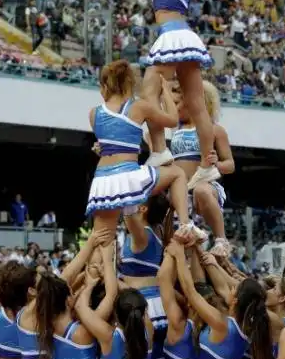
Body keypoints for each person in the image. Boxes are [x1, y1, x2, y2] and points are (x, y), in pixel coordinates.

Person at [65, 0, 217, 190]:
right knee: (197, 105)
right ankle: (207, 165)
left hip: (171, 35)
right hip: (186, 34)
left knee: (148, 94)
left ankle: (159, 149)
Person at [86, 59, 205, 246]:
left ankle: (90, 274)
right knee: (177, 174)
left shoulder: (94, 113)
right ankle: (185, 224)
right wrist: (165, 90)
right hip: (128, 175)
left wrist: (100, 148)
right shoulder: (139, 107)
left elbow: (111, 144)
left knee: (101, 240)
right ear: (129, 83)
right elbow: (173, 120)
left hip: (102, 181)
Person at [171, 80, 235, 256]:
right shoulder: (175, 127)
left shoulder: (215, 130)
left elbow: (230, 165)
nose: (177, 105)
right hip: (181, 189)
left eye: (181, 100)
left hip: (205, 185)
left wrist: (216, 164)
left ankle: (221, 240)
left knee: (202, 191)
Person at [118, 194, 171, 359]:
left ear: (143, 209)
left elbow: (127, 211)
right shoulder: (160, 229)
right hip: (159, 303)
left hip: (142, 304)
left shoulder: (142, 234)